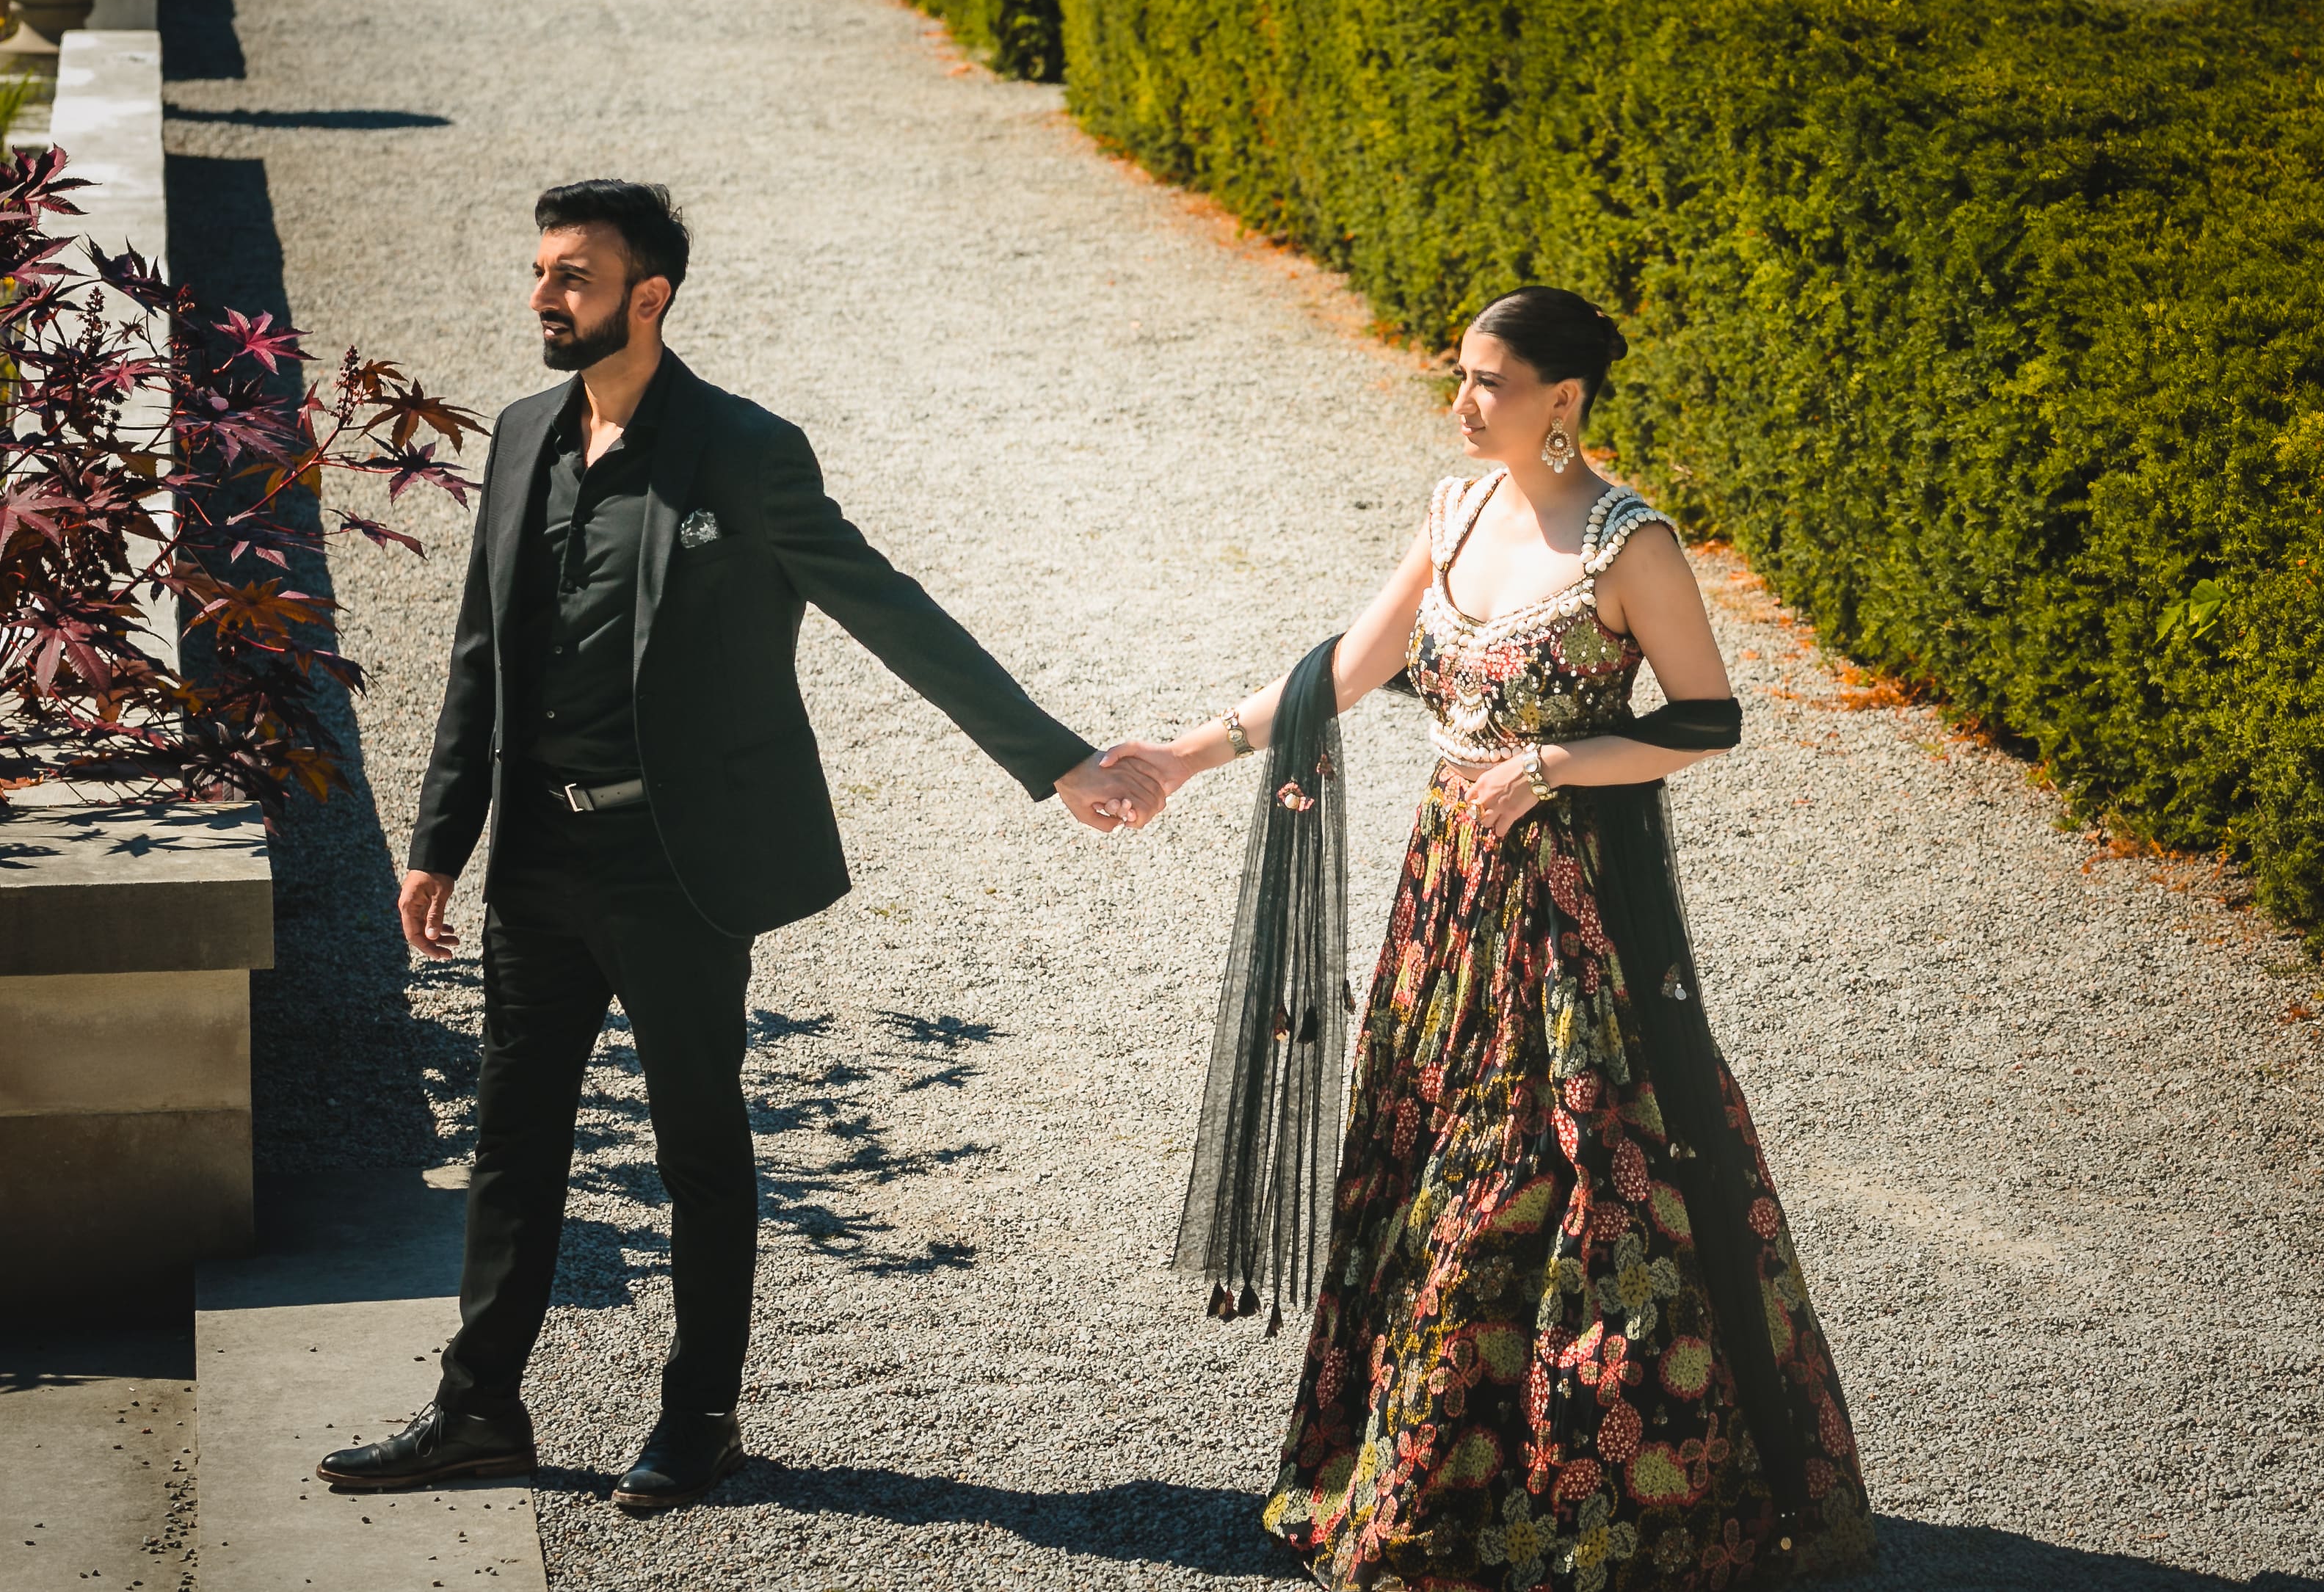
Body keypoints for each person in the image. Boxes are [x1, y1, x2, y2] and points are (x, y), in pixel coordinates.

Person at [316, 181, 1161, 1511]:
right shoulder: (528, 432)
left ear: (647, 298)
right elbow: (484, 652)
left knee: (695, 1142)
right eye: (539, 272)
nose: (545, 297)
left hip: (675, 863)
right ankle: (479, 1410)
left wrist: (1055, 759)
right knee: (512, 1141)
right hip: (537, 853)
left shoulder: (745, 452)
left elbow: (890, 607)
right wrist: (437, 843)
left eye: (574, 277)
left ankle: (696, 1417)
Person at [1108, 288, 1874, 1589]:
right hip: (1447, 898)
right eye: (1457, 376)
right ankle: (1433, 1485)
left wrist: (1561, 759)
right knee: (1425, 1166)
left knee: (1555, 1174)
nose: (1460, 403)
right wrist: (1181, 757)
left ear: (1561, 399)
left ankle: (1599, 1503)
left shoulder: (1630, 545)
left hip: (1570, 915)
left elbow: (1707, 720)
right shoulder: (1455, 511)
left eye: (1487, 382)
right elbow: (1344, 668)